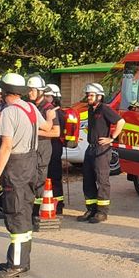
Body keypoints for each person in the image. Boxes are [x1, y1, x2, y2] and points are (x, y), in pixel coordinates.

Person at [0, 73, 53, 278]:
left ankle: (15, 264)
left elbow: (6, 146)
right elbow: (46, 127)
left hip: (16, 165)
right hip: (31, 163)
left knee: (15, 213)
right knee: (25, 211)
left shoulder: (9, 113)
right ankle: (22, 260)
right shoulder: (31, 107)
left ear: (5, 92)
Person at [77, 82, 123, 224]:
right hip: (90, 148)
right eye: (88, 95)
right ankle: (91, 209)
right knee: (88, 179)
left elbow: (121, 121)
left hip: (101, 150)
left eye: (91, 95)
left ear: (99, 96)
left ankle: (102, 212)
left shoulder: (104, 109)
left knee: (102, 180)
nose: (88, 97)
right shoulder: (91, 109)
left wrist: (111, 138)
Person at [27, 75, 58, 230]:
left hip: (43, 149)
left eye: (32, 90)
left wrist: (35, 132)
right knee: (30, 178)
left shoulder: (48, 109)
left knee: (39, 180)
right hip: (32, 148)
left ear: (40, 91)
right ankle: (30, 211)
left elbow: (56, 132)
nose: (29, 92)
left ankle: (35, 214)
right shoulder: (32, 106)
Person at [42, 83, 66, 215]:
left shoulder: (57, 113)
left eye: (48, 96)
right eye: (44, 95)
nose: (45, 98)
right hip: (48, 146)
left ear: (55, 97)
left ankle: (59, 205)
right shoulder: (48, 111)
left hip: (55, 146)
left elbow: (57, 131)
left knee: (55, 176)